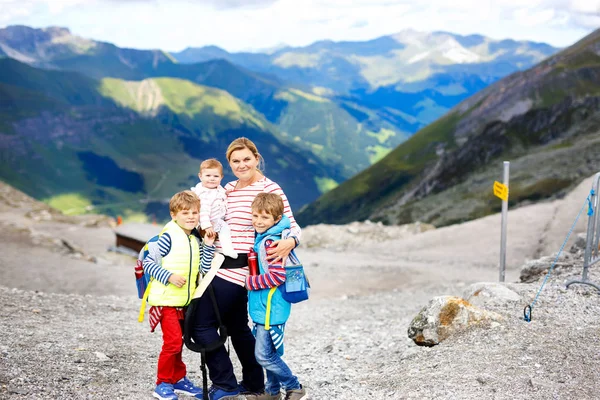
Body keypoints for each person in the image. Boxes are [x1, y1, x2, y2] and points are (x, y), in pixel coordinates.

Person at [190, 137, 301, 400]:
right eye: (235, 161)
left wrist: (291, 240)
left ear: (256, 157)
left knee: (200, 324)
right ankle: (254, 384)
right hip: (216, 262)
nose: (241, 165)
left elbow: (292, 224)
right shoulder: (226, 187)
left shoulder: (270, 188)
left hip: (239, 268)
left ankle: (226, 384)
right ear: (229, 164)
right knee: (237, 326)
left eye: (246, 159)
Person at [143, 190, 216, 400]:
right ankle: (162, 383)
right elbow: (147, 262)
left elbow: (204, 266)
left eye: (194, 212)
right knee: (172, 343)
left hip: (183, 302)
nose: (191, 216)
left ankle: (178, 379)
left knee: (178, 342)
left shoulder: (194, 239)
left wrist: (209, 247)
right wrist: (168, 276)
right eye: (185, 212)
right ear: (174, 215)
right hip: (166, 300)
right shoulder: (168, 237)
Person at [246, 193, 307, 400]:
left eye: (264, 218)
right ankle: (272, 392)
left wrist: (250, 283)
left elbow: (277, 276)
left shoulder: (269, 243)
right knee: (269, 351)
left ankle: (294, 385)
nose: (258, 221)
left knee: (263, 355)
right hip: (267, 305)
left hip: (270, 306)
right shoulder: (268, 237)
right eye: (255, 216)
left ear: (276, 218)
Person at [191, 158, 238, 259]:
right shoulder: (204, 194)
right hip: (211, 221)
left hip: (215, 219)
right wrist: (207, 226)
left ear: (221, 177)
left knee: (209, 240)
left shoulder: (217, 189)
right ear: (200, 176)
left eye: (216, 176)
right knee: (224, 229)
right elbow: (203, 212)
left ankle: (207, 252)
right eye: (208, 176)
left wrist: (225, 193)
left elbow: (218, 196)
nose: (212, 179)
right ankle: (227, 249)